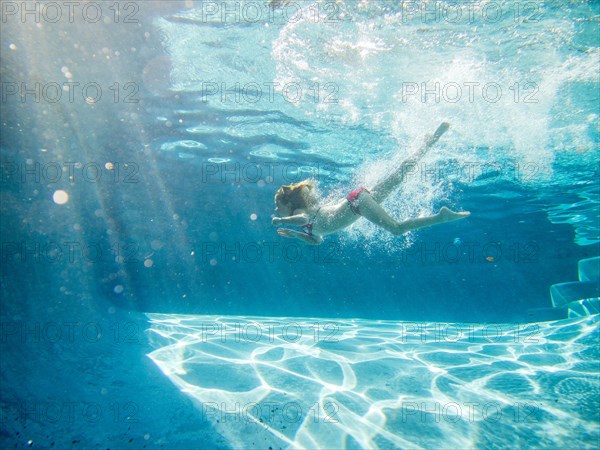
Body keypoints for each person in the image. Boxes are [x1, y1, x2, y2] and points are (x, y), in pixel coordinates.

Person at [272, 122, 470, 245]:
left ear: (290, 205)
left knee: (397, 229)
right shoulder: (305, 224)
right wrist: (296, 235)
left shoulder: (301, 215)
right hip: (358, 201)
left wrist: (282, 221)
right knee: (399, 177)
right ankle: (428, 143)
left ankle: (441, 217)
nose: (276, 209)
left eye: (278, 206)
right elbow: (317, 241)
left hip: (358, 204)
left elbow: (301, 219)